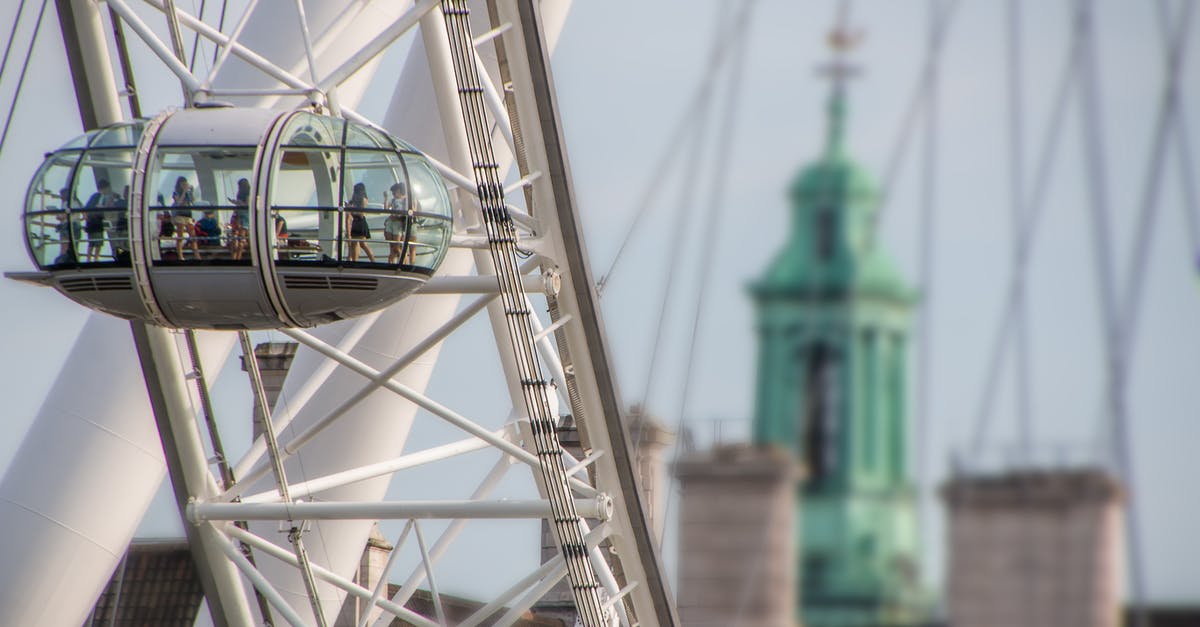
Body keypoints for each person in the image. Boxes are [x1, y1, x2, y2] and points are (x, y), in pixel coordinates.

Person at [83, 179, 113, 262]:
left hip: (98, 221)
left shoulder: (104, 197)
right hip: (93, 221)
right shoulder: (97, 196)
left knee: (98, 241)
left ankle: (94, 258)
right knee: (93, 242)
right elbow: (87, 208)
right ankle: (90, 258)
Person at [384, 182, 414, 265]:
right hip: (391, 223)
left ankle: (403, 262)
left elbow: (405, 213)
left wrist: (397, 217)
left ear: (400, 191)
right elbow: (386, 209)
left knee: (397, 246)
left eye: (395, 191)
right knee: (392, 246)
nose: (393, 194)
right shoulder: (393, 200)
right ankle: (392, 262)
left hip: (398, 224)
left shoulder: (404, 200)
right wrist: (386, 198)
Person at [345, 182, 375, 262]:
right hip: (355, 222)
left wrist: (352, 210)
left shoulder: (363, 200)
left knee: (363, 244)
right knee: (355, 243)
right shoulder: (353, 201)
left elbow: (361, 213)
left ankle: (373, 260)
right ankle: (355, 261)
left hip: (360, 221)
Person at [171, 177, 198, 259]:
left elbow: (193, 201)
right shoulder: (176, 193)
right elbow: (178, 202)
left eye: (185, 184)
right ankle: (180, 255)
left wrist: (192, 192)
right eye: (182, 184)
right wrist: (184, 192)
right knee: (180, 235)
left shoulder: (188, 193)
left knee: (193, 235)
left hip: (188, 215)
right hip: (179, 215)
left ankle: (197, 255)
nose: (184, 185)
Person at [228, 178, 251, 261]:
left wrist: (237, 203)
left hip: (244, 215)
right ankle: (236, 258)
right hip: (240, 214)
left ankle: (238, 258)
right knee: (238, 238)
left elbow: (248, 204)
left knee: (241, 237)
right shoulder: (241, 193)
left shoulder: (248, 193)